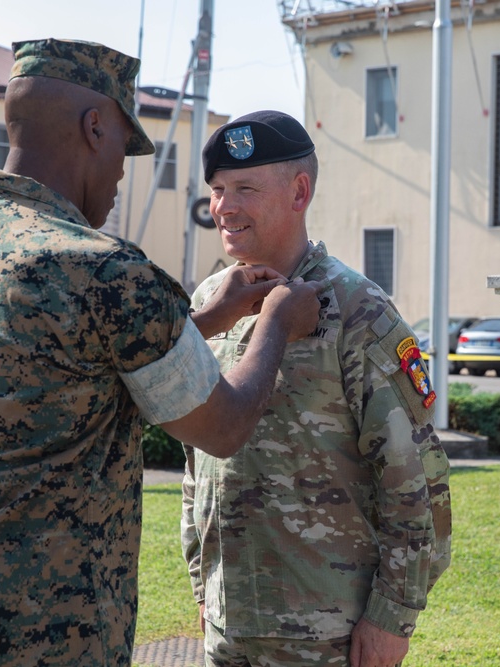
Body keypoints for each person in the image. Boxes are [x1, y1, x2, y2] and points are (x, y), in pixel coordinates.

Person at [0, 41, 320, 667]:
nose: (120, 172)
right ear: (94, 127)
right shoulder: (102, 270)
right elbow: (221, 427)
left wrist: (209, 318)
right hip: (42, 631)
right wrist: (277, 322)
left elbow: (57, 365)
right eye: (122, 146)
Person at [182, 110, 452, 667]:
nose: (224, 208)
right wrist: (201, 581)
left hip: (324, 636)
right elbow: (195, 464)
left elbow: (416, 483)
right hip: (228, 627)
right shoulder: (209, 303)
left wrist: (391, 617)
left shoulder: (358, 311)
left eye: (246, 189)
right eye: (217, 190)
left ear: (299, 191)